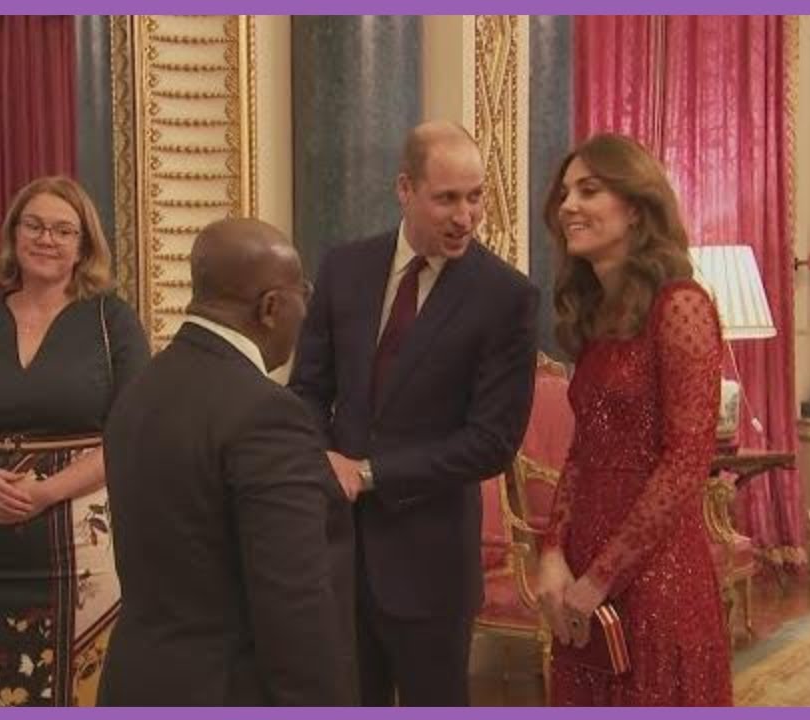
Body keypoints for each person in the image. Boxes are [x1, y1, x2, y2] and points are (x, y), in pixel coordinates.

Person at [289, 121, 539, 706]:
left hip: (431, 568)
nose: (466, 216)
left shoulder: (506, 298)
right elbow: (306, 388)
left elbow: (492, 442)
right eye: (447, 198)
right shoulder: (344, 268)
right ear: (405, 189)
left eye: (476, 196)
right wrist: (323, 455)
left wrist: (369, 472)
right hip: (337, 555)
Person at [98, 218, 356, 706]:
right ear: (272, 307)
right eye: (303, 293)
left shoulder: (140, 391)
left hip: (139, 681)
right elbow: (292, 603)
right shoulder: (267, 413)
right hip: (230, 689)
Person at [0, 175, 150, 707]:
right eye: (34, 225)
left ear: (83, 245)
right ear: (14, 234)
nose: (47, 239)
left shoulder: (111, 321)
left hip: (84, 544)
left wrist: (44, 493)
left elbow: (132, 434)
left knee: (87, 692)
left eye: (62, 230)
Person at [535, 133, 732, 706]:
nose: (568, 204)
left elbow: (687, 461)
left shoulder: (682, 305)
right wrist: (553, 554)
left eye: (589, 190)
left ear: (637, 208)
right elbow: (582, 454)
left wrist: (602, 576)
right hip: (581, 573)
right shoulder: (597, 319)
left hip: (656, 573)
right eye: (565, 192)